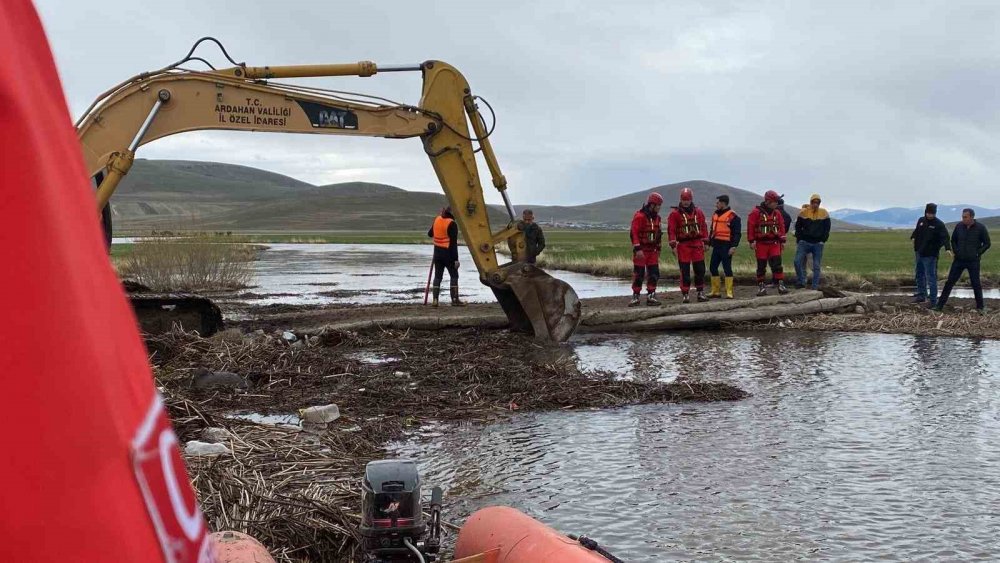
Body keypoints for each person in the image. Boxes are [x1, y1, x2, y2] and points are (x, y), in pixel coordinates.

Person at [934, 208, 990, 313]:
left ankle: (980, 307)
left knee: (976, 284)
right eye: (962, 217)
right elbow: (953, 240)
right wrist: (956, 251)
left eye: (965, 217)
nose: (963, 219)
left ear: (972, 217)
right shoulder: (959, 226)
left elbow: (987, 243)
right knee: (949, 282)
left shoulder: (980, 228)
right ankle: (939, 306)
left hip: (973, 261)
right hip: (959, 260)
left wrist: (978, 253)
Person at [667, 187, 709, 303]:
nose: (686, 202)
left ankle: (700, 292)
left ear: (691, 199)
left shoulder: (699, 212)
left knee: (700, 269)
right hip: (683, 245)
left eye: (688, 199)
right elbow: (671, 230)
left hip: (697, 244)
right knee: (684, 271)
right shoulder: (675, 214)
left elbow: (703, 227)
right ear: (680, 199)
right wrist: (673, 245)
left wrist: (706, 242)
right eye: (684, 199)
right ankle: (685, 294)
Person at [747, 190, 788, 296]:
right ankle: (761, 287)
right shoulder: (755, 212)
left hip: (774, 243)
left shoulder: (777, 213)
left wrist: (783, 240)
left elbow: (781, 226)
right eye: (775, 201)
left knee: (777, 265)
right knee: (761, 266)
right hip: (761, 243)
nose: (776, 203)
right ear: (768, 201)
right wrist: (751, 241)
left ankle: (781, 285)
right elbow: (750, 226)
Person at [910, 203, 951, 306]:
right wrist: (913, 237)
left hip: (931, 254)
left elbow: (945, 237)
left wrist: (947, 248)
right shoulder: (921, 220)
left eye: (932, 213)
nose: (929, 215)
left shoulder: (939, 224)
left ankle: (933, 300)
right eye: (928, 213)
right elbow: (917, 231)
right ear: (925, 212)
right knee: (919, 274)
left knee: (931, 277)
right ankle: (921, 295)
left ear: (935, 213)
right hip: (919, 252)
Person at [629, 192, 664, 306]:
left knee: (654, 273)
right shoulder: (640, 217)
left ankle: (651, 295)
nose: (659, 208)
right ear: (652, 205)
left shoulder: (657, 218)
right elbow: (634, 233)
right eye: (658, 205)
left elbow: (659, 235)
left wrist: (659, 248)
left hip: (652, 250)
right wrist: (638, 249)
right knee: (639, 274)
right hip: (641, 250)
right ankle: (635, 296)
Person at [427, 207, 464, 307]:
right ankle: (455, 300)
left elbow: (430, 234)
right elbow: (453, 244)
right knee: (454, 275)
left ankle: (435, 300)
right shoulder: (452, 223)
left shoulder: (437, 219)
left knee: (437, 276)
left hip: (437, 254)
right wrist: (456, 259)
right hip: (448, 254)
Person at [793, 193, 831, 289]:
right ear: (811, 202)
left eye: (817, 202)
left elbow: (827, 228)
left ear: (819, 203)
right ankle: (801, 281)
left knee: (816, 266)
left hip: (818, 243)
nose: (815, 204)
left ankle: (814, 286)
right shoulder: (803, 213)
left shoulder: (824, 213)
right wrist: (800, 239)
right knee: (797, 262)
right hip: (804, 242)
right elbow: (798, 226)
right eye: (814, 202)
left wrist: (823, 240)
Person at [707, 195, 741, 299]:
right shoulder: (715, 214)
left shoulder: (733, 216)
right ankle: (715, 291)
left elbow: (737, 233)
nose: (716, 204)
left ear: (723, 203)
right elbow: (712, 230)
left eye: (718, 203)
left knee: (727, 268)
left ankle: (729, 292)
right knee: (713, 267)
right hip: (716, 245)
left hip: (727, 246)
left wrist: (734, 246)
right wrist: (708, 243)